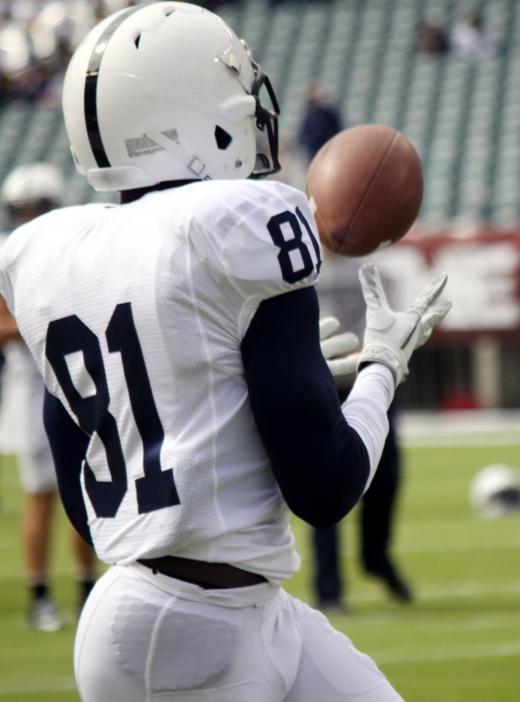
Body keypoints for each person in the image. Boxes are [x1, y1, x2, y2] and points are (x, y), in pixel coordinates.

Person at [0, 3, 450, 700]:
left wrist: (235, 394)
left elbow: (88, 506)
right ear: (185, 109)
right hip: (194, 639)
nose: (251, 108)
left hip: (199, 611)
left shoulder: (50, 253)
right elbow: (325, 487)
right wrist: (382, 371)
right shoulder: (239, 224)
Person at [0, 162, 98, 631]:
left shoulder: (69, 252)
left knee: (86, 483)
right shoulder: (9, 255)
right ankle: (40, 592)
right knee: (41, 493)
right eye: (21, 210)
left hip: (74, 375)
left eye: (35, 208)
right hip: (31, 380)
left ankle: (87, 586)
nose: (28, 218)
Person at [313, 252, 413, 612]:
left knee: (385, 477)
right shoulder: (301, 265)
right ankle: (329, 590)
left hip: (367, 379)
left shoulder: (374, 270)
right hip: (324, 384)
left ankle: (376, 557)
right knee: (325, 488)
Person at [298, 82, 343, 163]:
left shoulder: (328, 112)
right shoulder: (308, 113)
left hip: (327, 146)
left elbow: (336, 128)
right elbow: (304, 132)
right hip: (313, 149)